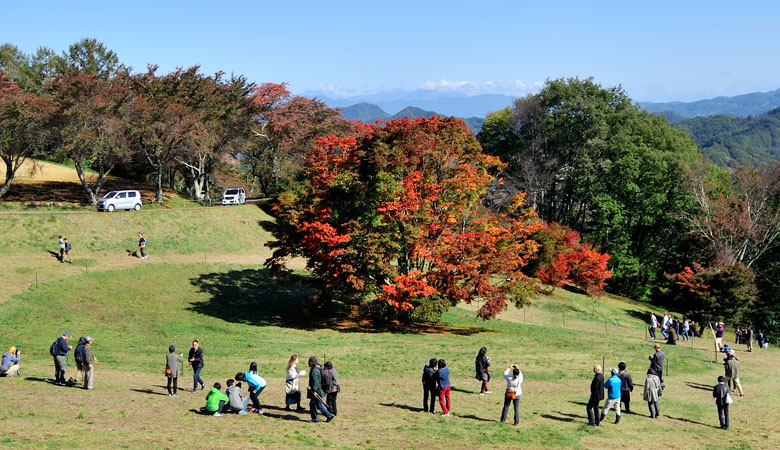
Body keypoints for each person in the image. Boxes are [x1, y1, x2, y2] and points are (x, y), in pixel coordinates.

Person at [307, 356, 334, 423]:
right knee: (313, 404)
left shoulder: (315, 371)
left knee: (317, 405)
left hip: (317, 391)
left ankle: (328, 416)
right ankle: (316, 418)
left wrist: (314, 391)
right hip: (319, 390)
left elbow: (315, 382)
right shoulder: (319, 368)